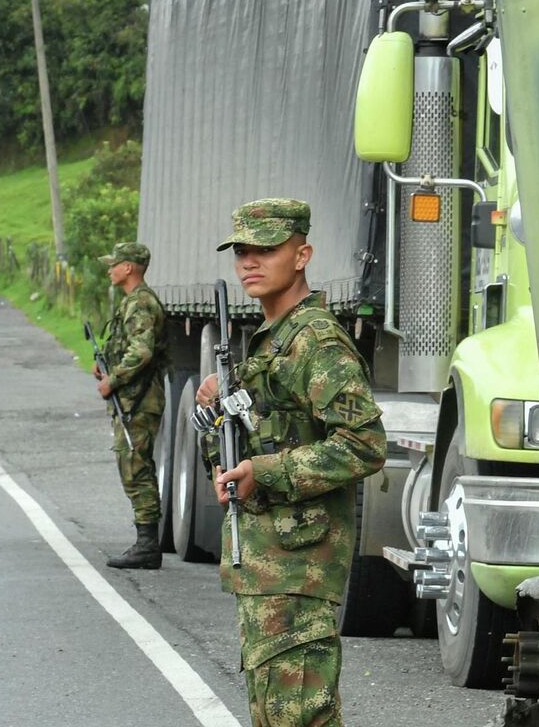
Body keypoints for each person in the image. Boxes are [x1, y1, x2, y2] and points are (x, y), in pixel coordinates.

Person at [196, 198, 386, 727]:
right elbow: (259, 439)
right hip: (267, 565)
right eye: (241, 252)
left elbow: (365, 443)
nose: (248, 263)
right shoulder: (269, 344)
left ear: (302, 254)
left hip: (300, 566)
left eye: (266, 250)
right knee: (274, 716)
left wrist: (268, 473)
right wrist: (220, 423)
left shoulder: (316, 343)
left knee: (299, 718)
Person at [97, 242, 168, 570]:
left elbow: (142, 351)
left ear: (129, 268)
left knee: (135, 468)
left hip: (138, 401)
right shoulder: (135, 302)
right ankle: (146, 542)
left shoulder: (140, 303)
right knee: (136, 466)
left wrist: (113, 380)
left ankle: (147, 545)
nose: (110, 269)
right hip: (134, 399)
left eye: (114, 264)